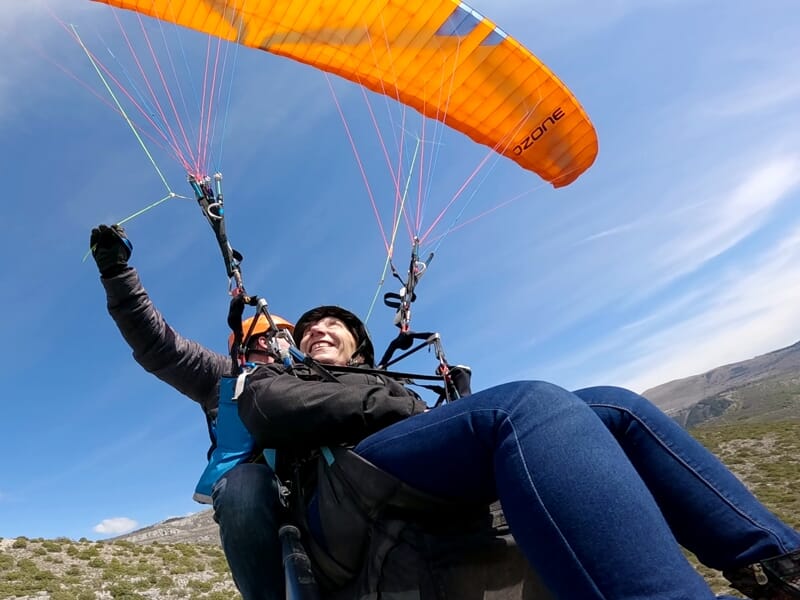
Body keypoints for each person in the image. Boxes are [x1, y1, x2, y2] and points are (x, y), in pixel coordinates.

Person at [232, 305, 800, 600]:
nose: (319, 330)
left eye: (334, 325)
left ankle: (775, 567)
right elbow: (269, 413)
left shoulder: (389, 378)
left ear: (359, 346)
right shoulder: (275, 379)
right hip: (341, 492)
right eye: (308, 329)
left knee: (611, 406)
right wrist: (404, 410)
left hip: (402, 471)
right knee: (524, 405)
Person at [89, 224, 292, 598]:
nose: (274, 341)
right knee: (243, 490)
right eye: (265, 336)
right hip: (255, 495)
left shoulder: (317, 377)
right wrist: (117, 274)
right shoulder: (222, 376)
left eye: (279, 335)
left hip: (326, 488)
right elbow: (159, 346)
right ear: (245, 345)